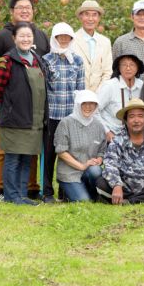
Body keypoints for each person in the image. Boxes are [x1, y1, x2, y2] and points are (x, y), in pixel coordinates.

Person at [0, 0, 50, 201]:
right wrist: (6, 108)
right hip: (14, 114)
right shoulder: (2, 44)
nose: (25, 10)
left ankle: (24, 193)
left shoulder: (39, 48)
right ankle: (4, 191)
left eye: (28, 7)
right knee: (9, 155)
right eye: (20, 7)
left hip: (33, 115)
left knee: (27, 156)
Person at [41, 22, 85, 203]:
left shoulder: (77, 60)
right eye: (61, 37)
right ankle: (47, 191)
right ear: (55, 38)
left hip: (70, 116)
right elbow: (43, 89)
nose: (64, 40)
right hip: (52, 115)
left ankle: (65, 190)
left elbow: (80, 89)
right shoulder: (46, 60)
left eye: (68, 37)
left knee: (68, 154)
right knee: (49, 153)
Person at [54, 90, 106, 202]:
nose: (88, 107)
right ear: (78, 105)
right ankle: (68, 191)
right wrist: (82, 166)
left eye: (92, 103)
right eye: (84, 103)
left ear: (96, 106)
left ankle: (93, 193)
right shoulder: (66, 123)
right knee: (84, 202)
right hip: (70, 172)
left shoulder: (99, 125)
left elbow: (102, 150)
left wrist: (99, 159)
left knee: (96, 171)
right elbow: (61, 151)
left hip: (89, 170)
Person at [96, 53, 144, 142]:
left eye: (132, 65)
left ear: (137, 68)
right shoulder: (109, 86)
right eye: (124, 65)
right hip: (112, 133)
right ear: (118, 68)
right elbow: (95, 111)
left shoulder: (142, 85)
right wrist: (107, 132)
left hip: (134, 133)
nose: (128, 68)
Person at [72, 0, 113, 91]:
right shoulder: (72, 40)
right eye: (87, 14)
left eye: (94, 15)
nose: (90, 19)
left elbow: (107, 71)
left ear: (99, 18)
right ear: (80, 17)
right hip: (77, 95)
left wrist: (99, 92)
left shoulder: (105, 42)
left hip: (99, 95)